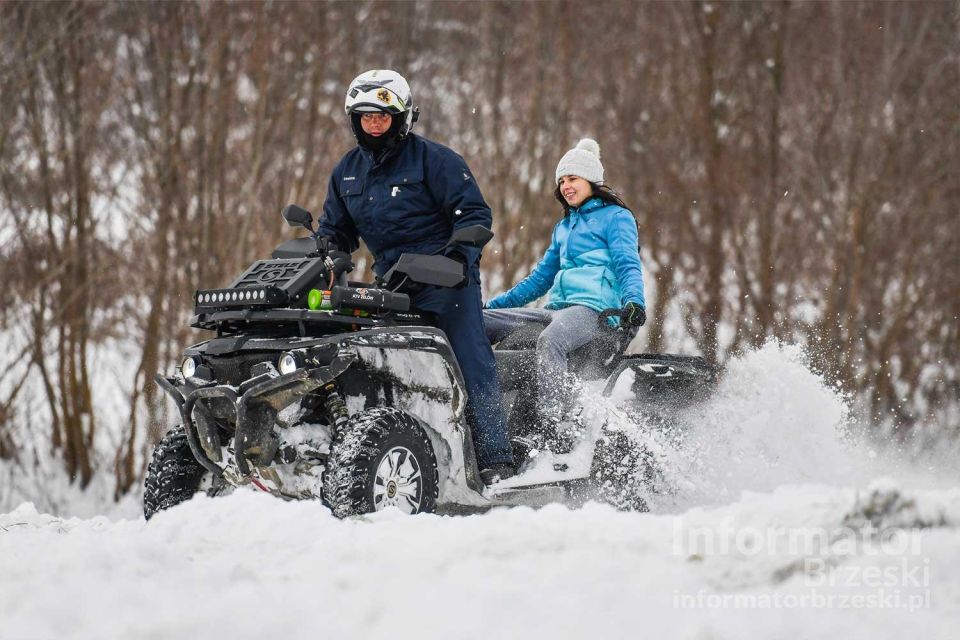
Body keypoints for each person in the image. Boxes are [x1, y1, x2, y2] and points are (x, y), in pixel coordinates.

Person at [318, 69, 515, 484]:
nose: (374, 124)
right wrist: (333, 257)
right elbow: (335, 229)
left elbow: (475, 215)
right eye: (365, 117)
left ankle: (497, 459)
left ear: (402, 118)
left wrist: (459, 256)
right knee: (370, 362)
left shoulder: (436, 160)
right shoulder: (347, 172)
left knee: (471, 361)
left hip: (447, 284)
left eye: (382, 117)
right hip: (391, 287)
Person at [484, 138, 646, 449]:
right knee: (478, 322)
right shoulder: (564, 227)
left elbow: (628, 263)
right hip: (556, 308)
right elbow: (538, 281)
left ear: (591, 181)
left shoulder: (616, 217)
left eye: (572, 179)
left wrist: (634, 302)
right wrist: (494, 306)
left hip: (593, 311)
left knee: (551, 340)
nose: (565, 186)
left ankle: (553, 422)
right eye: (561, 181)